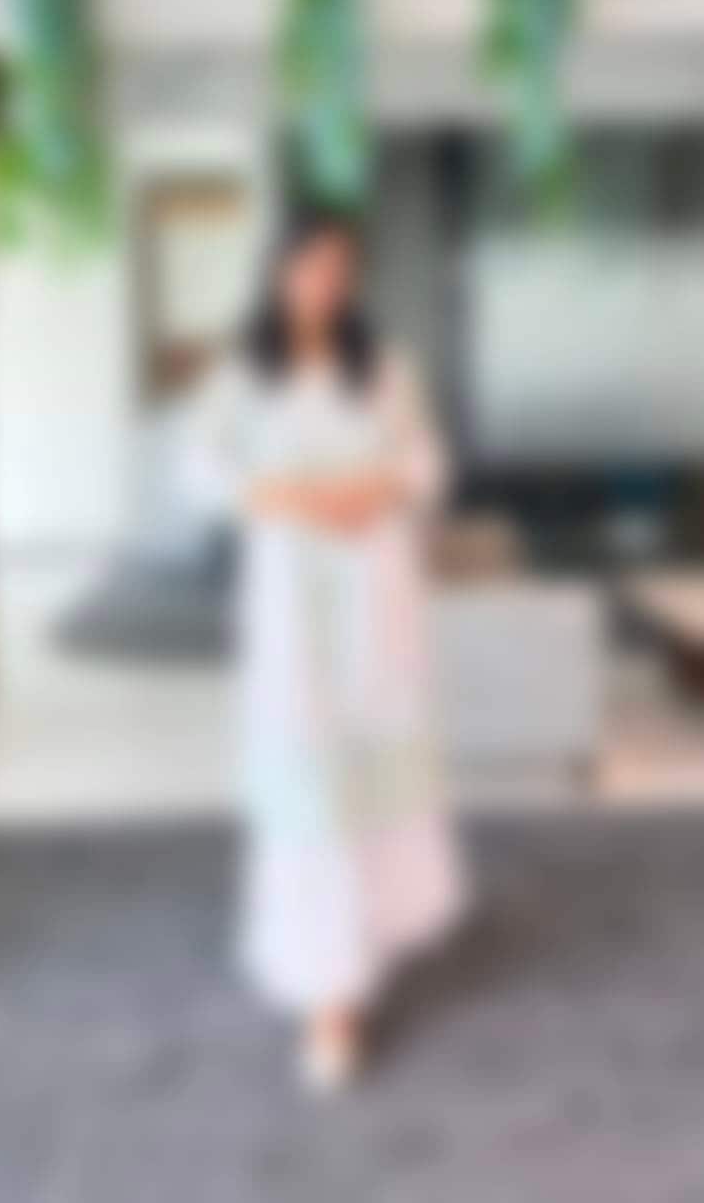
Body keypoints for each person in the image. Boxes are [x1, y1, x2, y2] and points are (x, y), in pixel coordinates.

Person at [185, 209, 466, 1090]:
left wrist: (376, 487)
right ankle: (327, 997)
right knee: (308, 780)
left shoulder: (385, 366)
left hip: (375, 590)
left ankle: (366, 936)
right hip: (290, 601)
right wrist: (291, 497)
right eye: (309, 264)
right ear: (278, 270)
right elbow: (200, 468)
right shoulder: (241, 373)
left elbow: (427, 461)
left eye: (341, 267)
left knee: (370, 767)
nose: (325, 281)